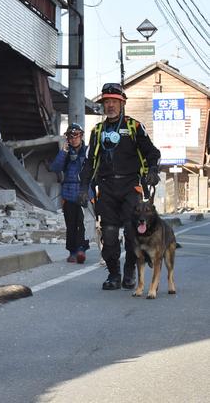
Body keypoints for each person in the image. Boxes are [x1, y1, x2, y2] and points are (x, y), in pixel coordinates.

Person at [79, 83, 160, 290]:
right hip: (106, 188)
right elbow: (89, 162)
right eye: (107, 102)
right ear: (103, 105)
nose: (111, 105)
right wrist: (83, 187)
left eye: (114, 101)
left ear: (122, 104)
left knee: (133, 233)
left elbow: (152, 153)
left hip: (131, 186)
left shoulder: (134, 127)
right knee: (109, 234)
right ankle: (114, 274)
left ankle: (130, 270)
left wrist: (152, 171)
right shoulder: (97, 131)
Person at [49, 123, 89, 263]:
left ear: (81, 136)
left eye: (76, 135)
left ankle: (81, 249)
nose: (73, 139)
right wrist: (63, 152)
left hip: (84, 193)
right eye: (70, 136)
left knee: (83, 223)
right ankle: (72, 251)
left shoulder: (88, 151)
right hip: (68, 193)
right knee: (70, 224)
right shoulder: (65, 153)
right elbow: (55, 167)